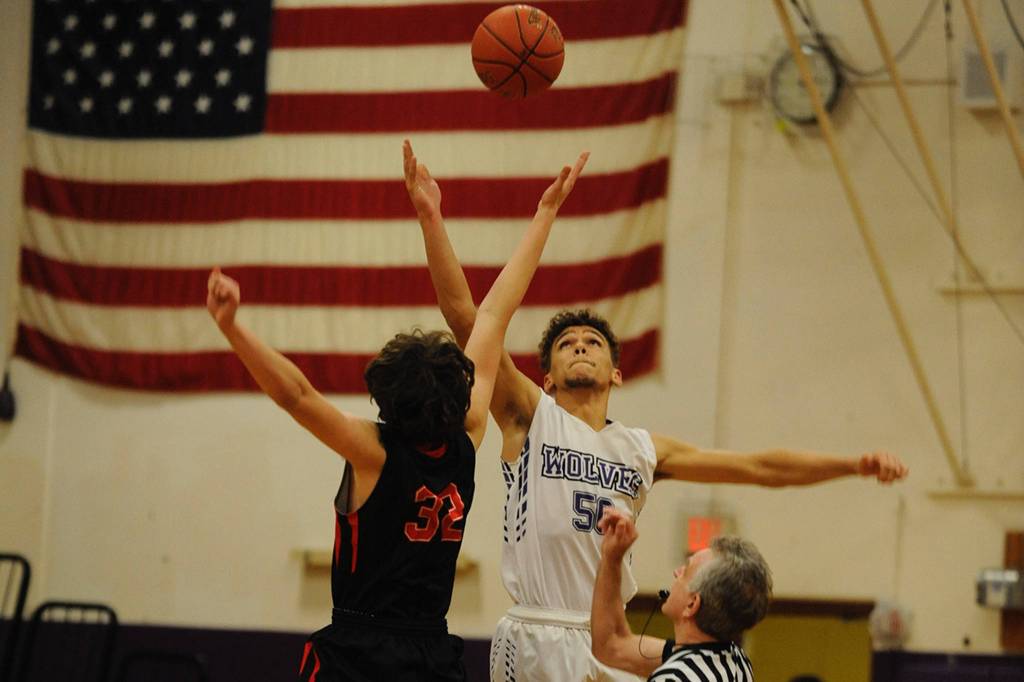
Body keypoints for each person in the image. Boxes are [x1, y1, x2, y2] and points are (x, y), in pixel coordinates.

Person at [404, 143, 909, 682]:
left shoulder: (644, 449)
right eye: (567, 342)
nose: (580, 346)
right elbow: (466, 318)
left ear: (616, 372)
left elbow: (760, 468)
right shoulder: (530, 415)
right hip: (539, 632)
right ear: (546, 376)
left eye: (593, 341)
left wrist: (851, 464)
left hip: (610, 638)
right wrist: (431, 217)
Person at [206, 142, 589, 681]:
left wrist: (232, 328)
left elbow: (297, 395)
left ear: (385, 400)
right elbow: (496, 309)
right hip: (431, 654)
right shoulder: (469, 434)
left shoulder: (372, 451)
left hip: (357, 653)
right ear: (458, 394)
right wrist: (542, 212)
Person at [591, 507, 771, 682]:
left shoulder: (674, 677)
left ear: (692, 604)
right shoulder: (736, 659)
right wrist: (612, 558)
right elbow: (613, 645)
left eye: (686, 570)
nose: (677, 572)